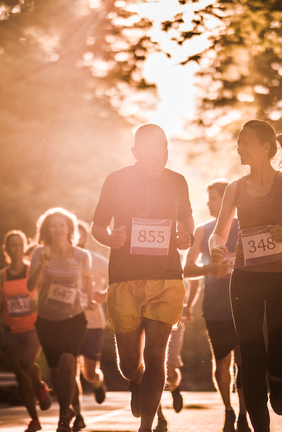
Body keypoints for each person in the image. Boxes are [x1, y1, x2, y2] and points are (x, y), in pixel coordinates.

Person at [209, 120, 282, 432]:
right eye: (237, 141)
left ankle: (277, 379)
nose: (238, 147)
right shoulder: (235, 188)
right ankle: (261, 428)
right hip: (245, 278)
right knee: (249, 353)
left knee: (281, 355)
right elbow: (218, 234)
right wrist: (217, 248)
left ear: (265, 147)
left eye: (244, 142)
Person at [91, 124, 195, 432]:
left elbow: (188, 224)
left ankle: (147, 426)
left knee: (155, 355)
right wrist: (111, 238)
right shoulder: (116, 180)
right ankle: (136, 384)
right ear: (135, 153)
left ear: (166, 151)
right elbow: (97, 227)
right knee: (129, 366)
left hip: (167, 279)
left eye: (162, 151)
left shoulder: (178, 181)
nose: (158, 158)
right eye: (150, 152)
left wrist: (185, 237)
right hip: (125, 278)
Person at [183, 179, 250, 432]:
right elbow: (186, 269)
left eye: (211, 198)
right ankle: (228, 410)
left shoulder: (246, 227)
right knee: (222, 362)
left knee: (244, 361)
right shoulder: (203, 230)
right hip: (215, 307)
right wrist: (212, 268)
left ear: (225, 201)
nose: (207, 203)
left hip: (245, 304)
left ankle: (244, 413)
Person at [27, 208, 96, 432]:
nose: (57, 229)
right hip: (47, 320)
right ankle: (69, 408)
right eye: (53, 225)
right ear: (47, 229)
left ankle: (63, 418)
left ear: (69, 229)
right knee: (56, 371)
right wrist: (44, 263)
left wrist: (91, 300)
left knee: (69, 362)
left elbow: (87, 279)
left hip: (74, 317)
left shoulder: (81, 255)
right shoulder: (39, 253)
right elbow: (30, 286)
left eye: (62, 225)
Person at [0, 230, 52, 432]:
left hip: (33, 328)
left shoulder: (31, 272)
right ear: (6, 249)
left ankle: (40, 385)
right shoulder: (0, 275)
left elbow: (45, 295)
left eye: (20, 245)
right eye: (12, 245)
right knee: (20, 376)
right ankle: (34, 420)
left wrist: (38, 304)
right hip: (11, 330)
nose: (16, 249)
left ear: (24, 247)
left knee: (27, 362)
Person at [69, 221, 110, 431]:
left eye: (79, 234)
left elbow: (116, 283)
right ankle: (78, 415)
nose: (75, 237)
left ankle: (97, 382)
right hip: (68, 321)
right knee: (71, 371)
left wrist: (101, 296)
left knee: (88, 373)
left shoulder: (98, 261)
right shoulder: (63, 261)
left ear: (84, 238)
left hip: (93, 323)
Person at [152, 313, 186, 432]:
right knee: (151, 373)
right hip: (149, 322)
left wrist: (187, 307)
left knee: (170, 368)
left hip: (172, 320)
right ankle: (160, 418)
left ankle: (174, 388)